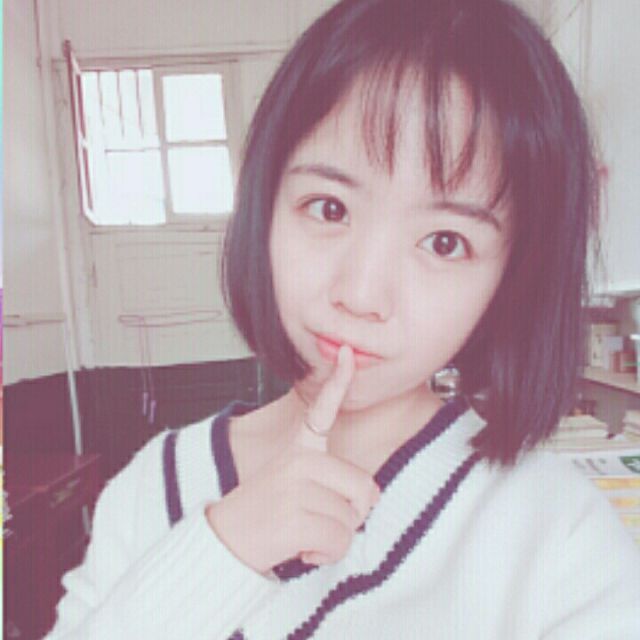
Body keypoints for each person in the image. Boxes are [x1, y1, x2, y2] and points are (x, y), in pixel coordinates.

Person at [46, 0, 640, 638]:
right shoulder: (151, 485)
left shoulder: (556, 534)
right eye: (328, 208)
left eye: (445, 242)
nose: (361, 294)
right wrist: (224, 550)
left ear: (512, 277)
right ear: (263, 201)